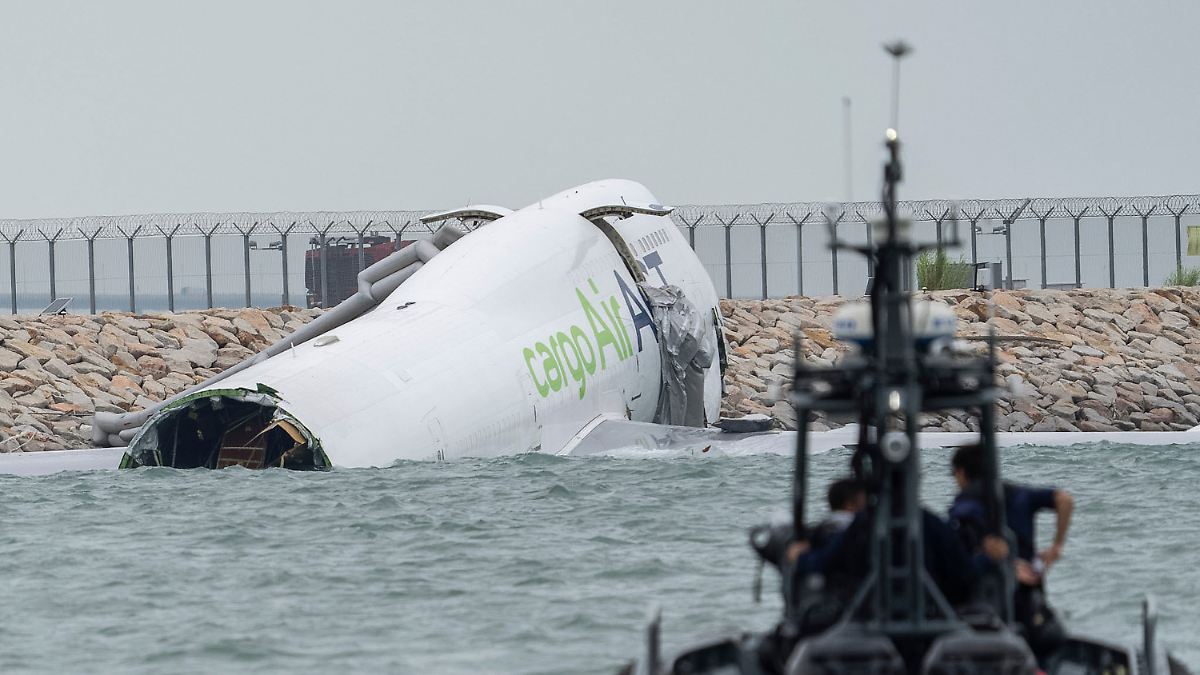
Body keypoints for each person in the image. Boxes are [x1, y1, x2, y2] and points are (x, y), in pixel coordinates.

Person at [949, 444, 1073, 661]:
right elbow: (1065, 499)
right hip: (1027, 590)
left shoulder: (963, 505)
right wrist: (1057, 546)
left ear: (960, 472)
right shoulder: (1019, 494)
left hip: (984, 600)